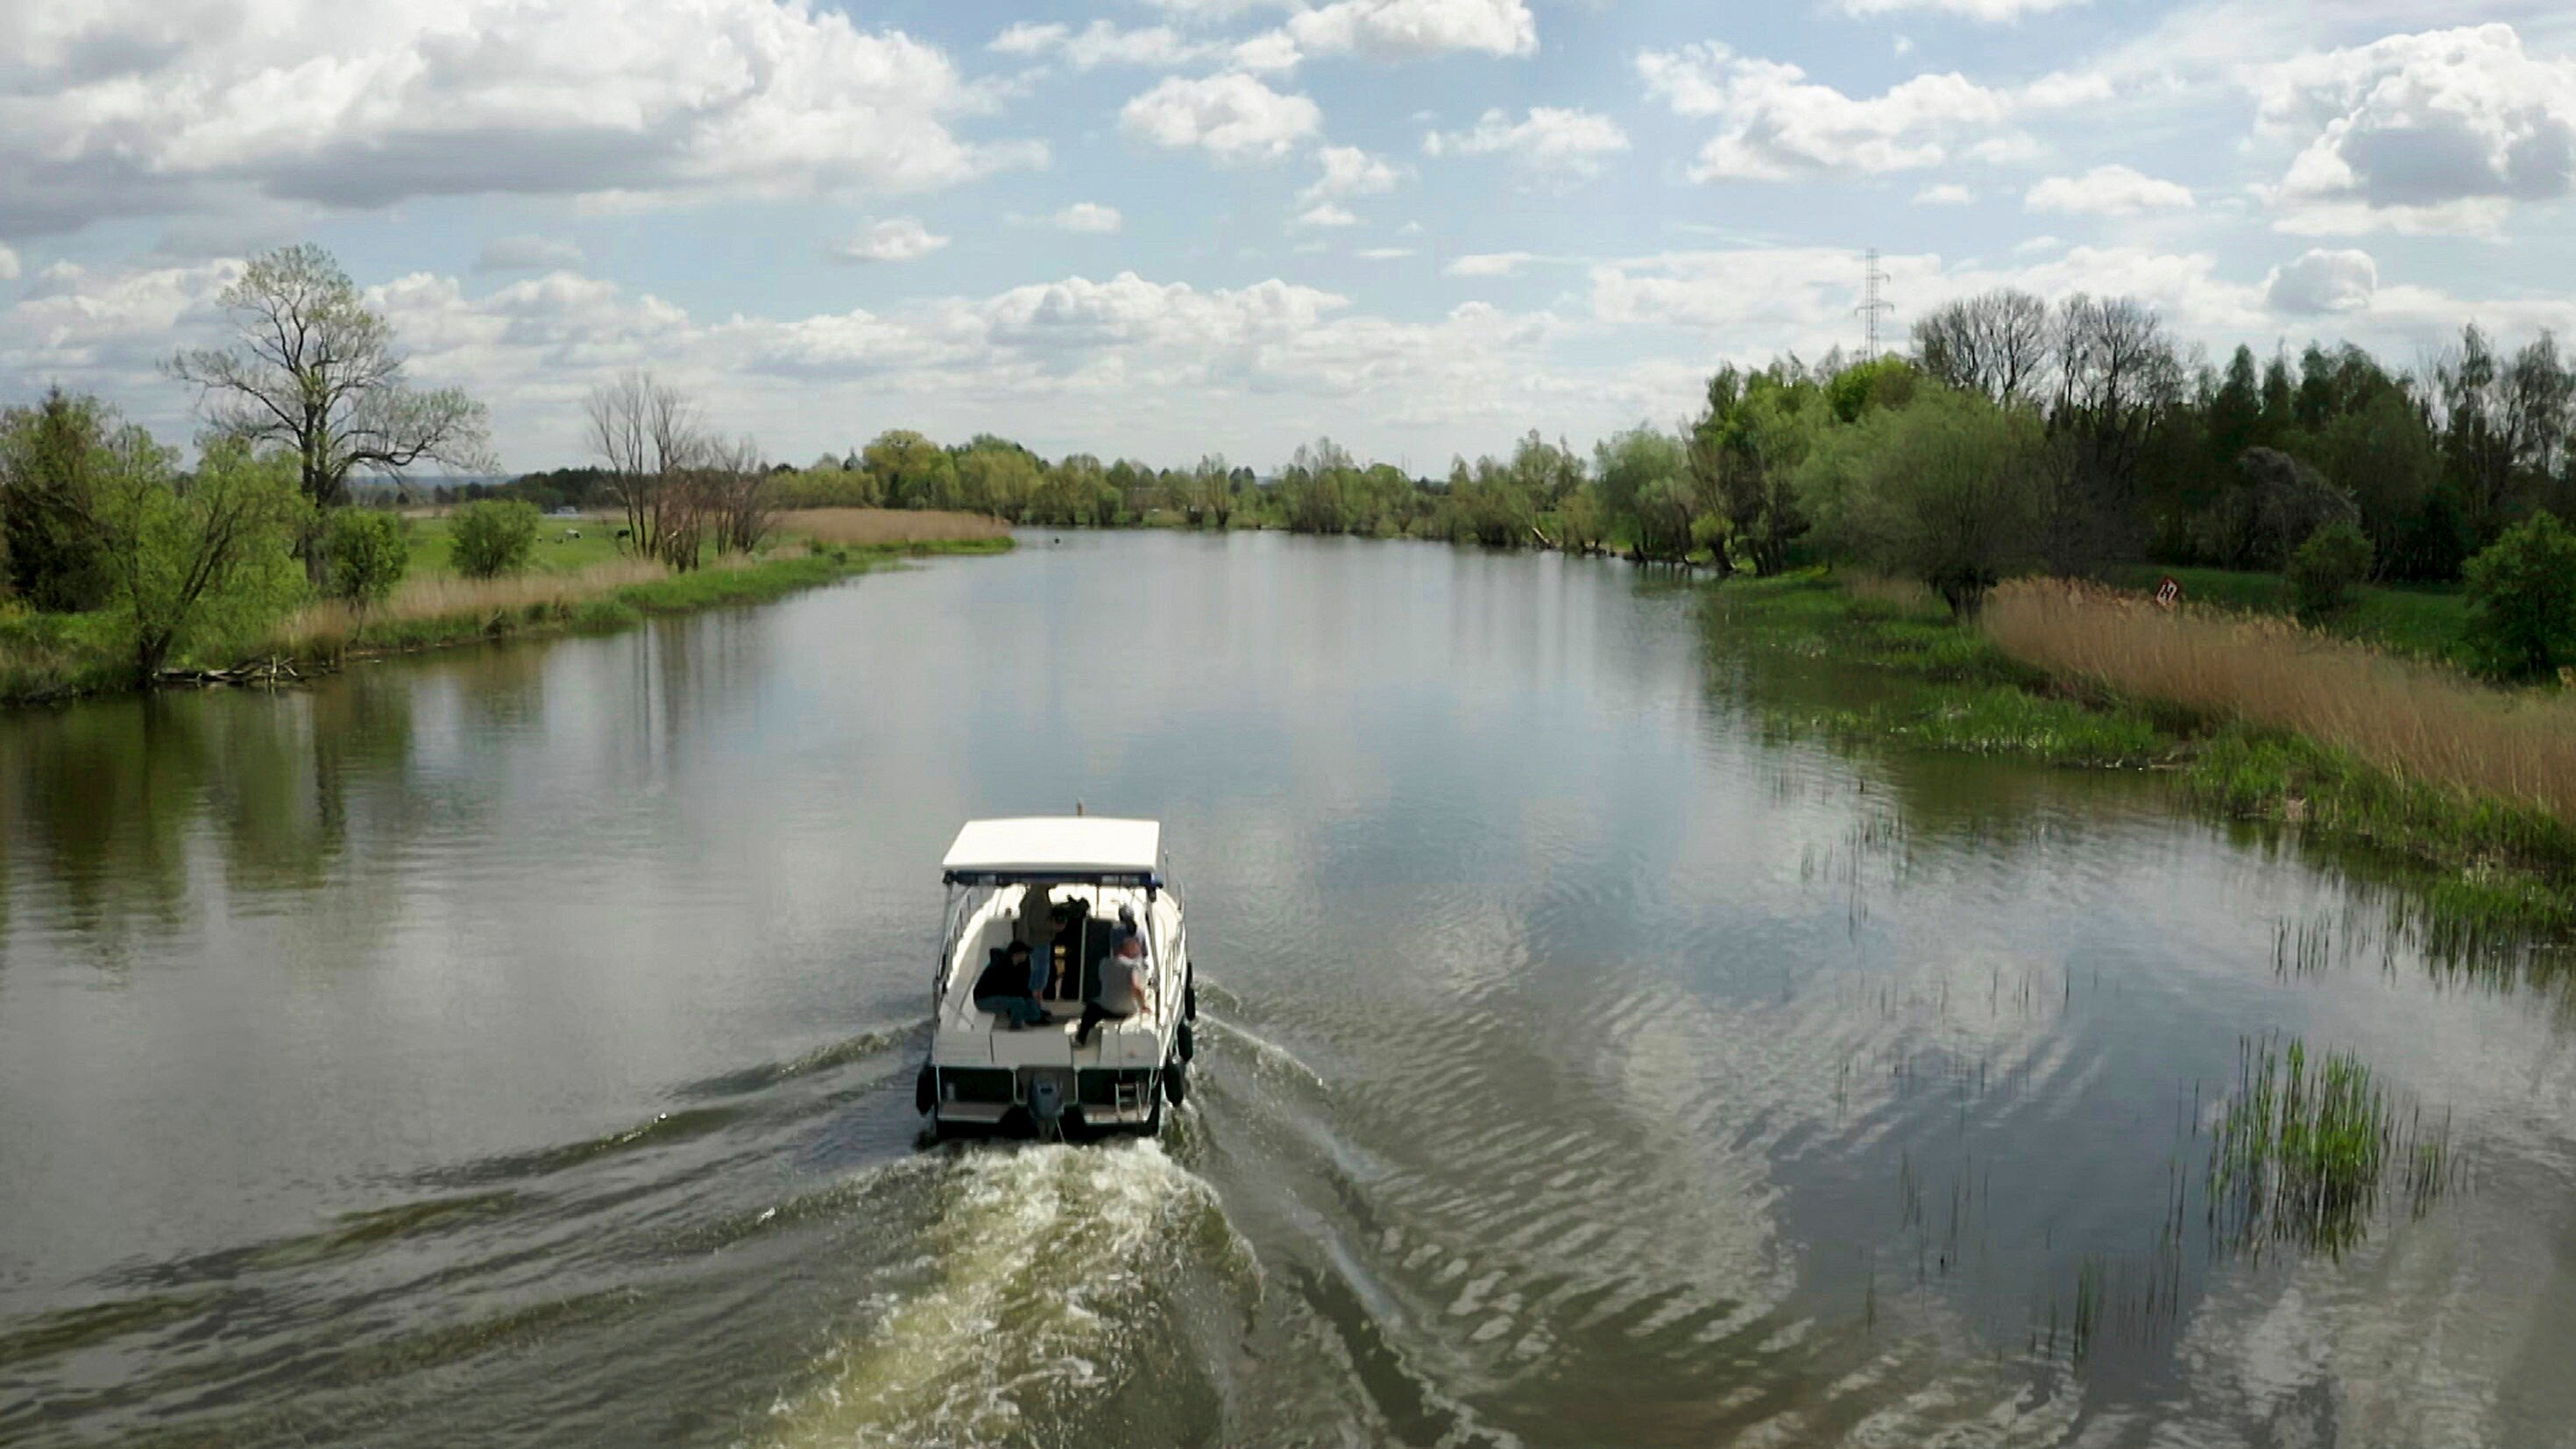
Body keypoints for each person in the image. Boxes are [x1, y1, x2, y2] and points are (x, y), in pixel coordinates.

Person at [1075, 905, 1152, 1047]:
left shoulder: (1105, 963)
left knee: (1091, 1008)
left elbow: (1104, 980)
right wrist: (1144, 1007)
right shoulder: (1135, 962)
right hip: (1129, 1009)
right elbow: (1136, 986)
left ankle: (1081, 1038)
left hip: (1108, 1009)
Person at [972, 942, 1045, 1028]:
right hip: (984, 999)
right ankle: (1015, 1026)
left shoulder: (1017, 966)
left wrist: (1029, 997)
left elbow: (1018, 987)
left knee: (1028, 1002)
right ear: (1017, 954)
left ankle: (1032, 1018)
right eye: (1025, 953)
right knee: (1018, 1002)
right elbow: (1003, 988)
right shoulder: (1000, 966)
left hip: (997, 996)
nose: (1026, 955)